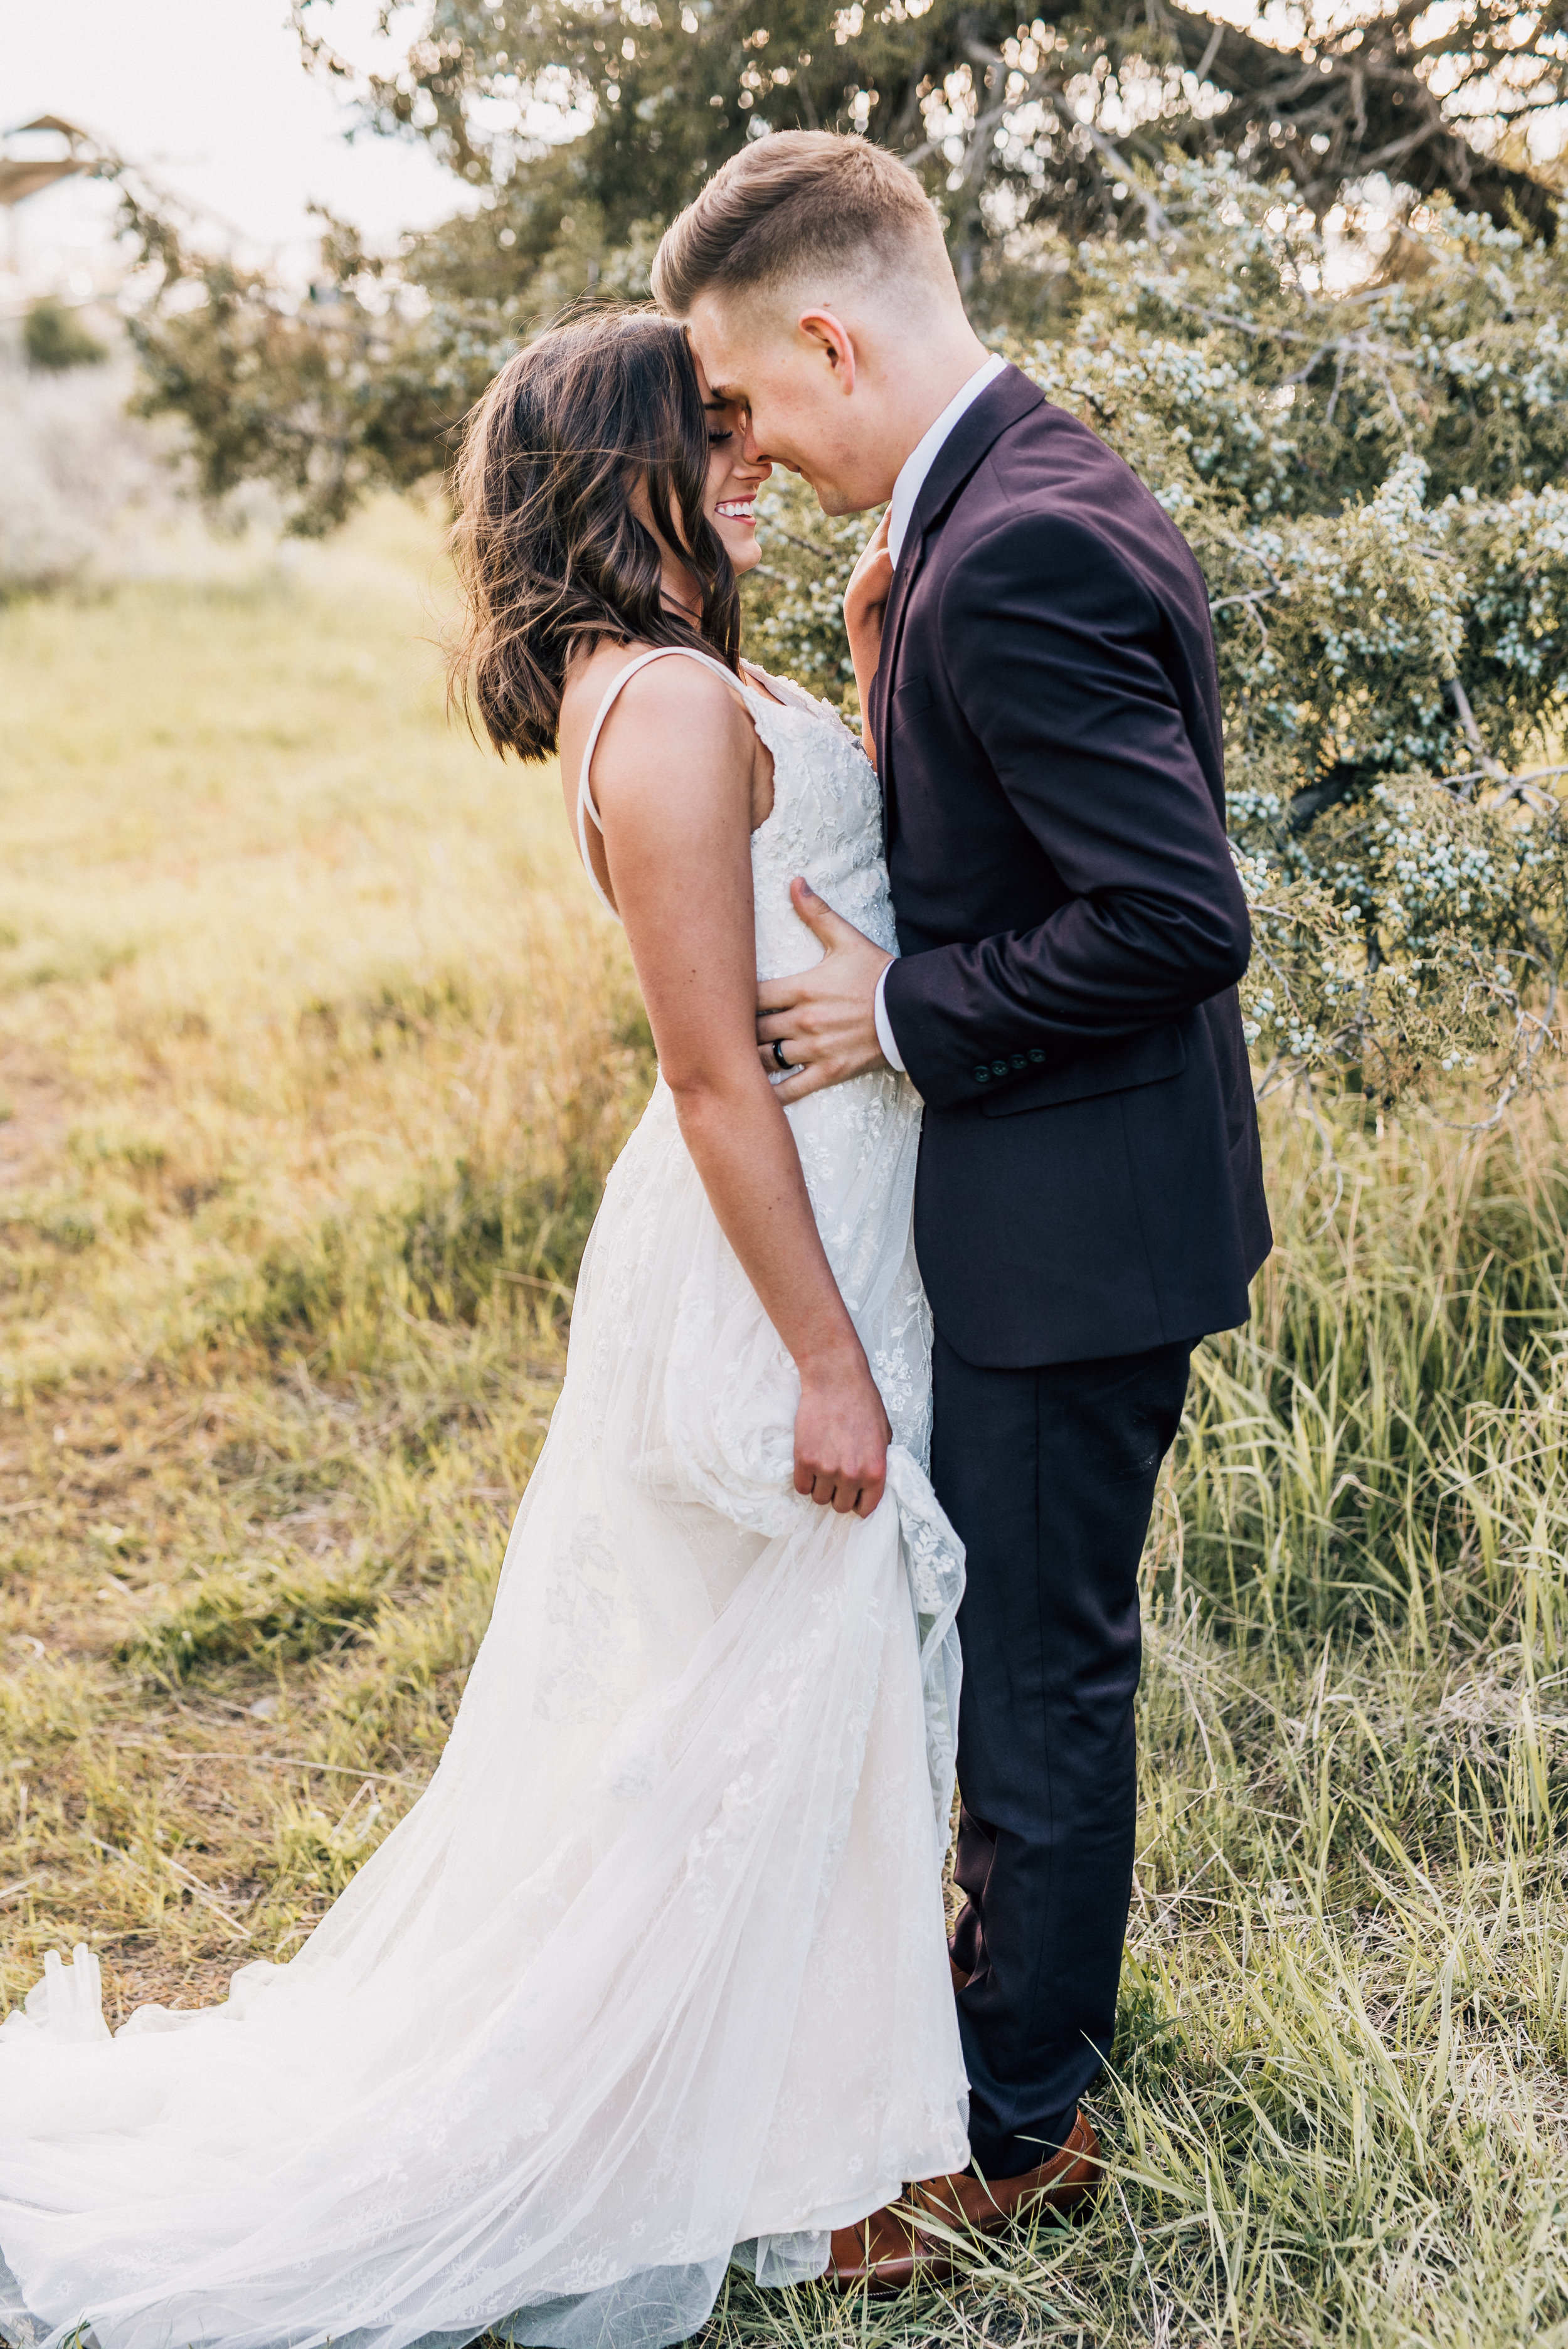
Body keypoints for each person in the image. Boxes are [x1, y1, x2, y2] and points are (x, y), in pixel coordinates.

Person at [0, 312, 972, 2349]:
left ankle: (813, 2105)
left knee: (769, 1688)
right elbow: (713, 1072)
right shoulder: (679, 705)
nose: (746, 460)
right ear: (616, 472)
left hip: (812, 1208)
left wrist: (875, 655)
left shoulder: (659, 683)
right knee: (752, 1685)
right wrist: (819, 1352)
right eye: (701, 436)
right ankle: (695, 2129)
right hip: (763, 1240)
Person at [654, 130, 1271, 2277]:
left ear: (828, 334)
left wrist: (902, 1003)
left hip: (1070, 1227)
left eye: (744, 403)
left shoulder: (1008, 546)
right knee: (1028, 1650)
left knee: (1039, 1669)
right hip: (1084, 1195)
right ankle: (1004, 2023)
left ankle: (1015, 2129)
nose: (747, 446)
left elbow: (1182, 917)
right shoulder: (1015, 498)